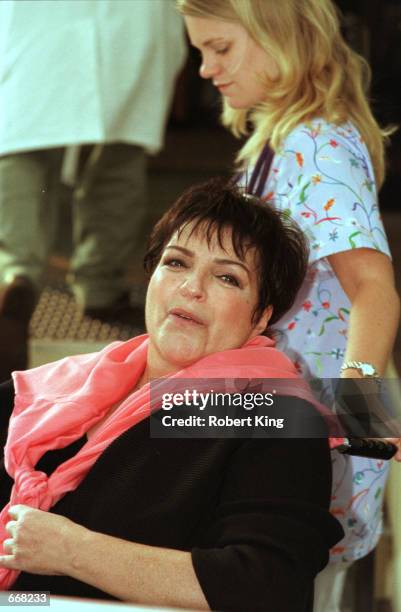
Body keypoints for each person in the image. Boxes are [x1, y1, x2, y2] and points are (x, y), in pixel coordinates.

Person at [0, 180, 343, 611]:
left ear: (261, 318)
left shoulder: (275, 416)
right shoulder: (57, 387)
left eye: (226, 277)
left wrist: (74, 551)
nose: (191, 288)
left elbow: (266, 585)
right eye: (176, 263)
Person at [178, 1, 401, 610]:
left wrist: (360, 408)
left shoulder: (316, 147)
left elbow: (375, 289)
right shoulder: (278, 136)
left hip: (316, 422)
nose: (204, 69)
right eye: (200, 51)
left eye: (220, 49)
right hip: (275, 408)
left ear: (282, 39)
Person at [0, 0, 186, 380]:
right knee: (121, 145)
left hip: (35, 18)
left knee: (23, 135)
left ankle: (16, 275)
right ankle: (101, 284)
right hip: (131, 16)